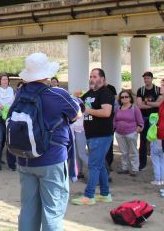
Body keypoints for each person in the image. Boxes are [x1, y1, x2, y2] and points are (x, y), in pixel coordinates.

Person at [15, 53, 81, 231]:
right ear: (46, 74)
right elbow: (76, 114)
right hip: (51, 159)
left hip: (24, 158)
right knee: (52, 211)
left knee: (28, 209)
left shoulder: (20, 93)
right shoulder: (56, 94)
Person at [72, 68, 115, 206]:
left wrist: (87, 110)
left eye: (95, 76)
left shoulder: (106, 93)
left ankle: (89, 195)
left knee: (93, 165)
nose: (91, 78)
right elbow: (79, 106)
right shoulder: (90, 93)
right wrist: (76, 97)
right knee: (100, 164)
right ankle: (105, 194)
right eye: (90, 76)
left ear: (102, 79)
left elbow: (106, 112)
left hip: (101, 134)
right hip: (91, 134)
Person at [113, 90, 144, 177]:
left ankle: (135, 169)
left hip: (131, 133)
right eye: (122, 97)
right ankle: (124, 168)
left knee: (133, 151)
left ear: (130, 98)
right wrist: (114, 128)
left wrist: (136, 130)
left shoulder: (134, 108)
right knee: (124, 152)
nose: (124, 98)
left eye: (126, 96)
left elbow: (140, 121)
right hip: (119, 133)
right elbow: (114, 120)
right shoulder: (118, 108)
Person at [135, 71, 161, 171]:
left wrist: (145, 102)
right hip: (144, 118)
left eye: (148, 78)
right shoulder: (140, 90)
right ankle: (142, 163)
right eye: (145, 78)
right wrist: (152, 103)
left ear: (152, 79)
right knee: (143, 141)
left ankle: (157, 161)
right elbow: (139, 105)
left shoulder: (157, 90)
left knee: (156, 140)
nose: (146, 80)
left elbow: (159, 104)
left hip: (155, 118)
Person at [0, 74, 16, 171]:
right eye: (3, 79)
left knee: (10, 141)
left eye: (6, 79)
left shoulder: (12, 90)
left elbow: (15, 104)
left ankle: (12, 164)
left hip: (10, 118)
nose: (5, 81)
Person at [70, 90, 87, 179]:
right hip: (74, 132)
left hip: (81, 131)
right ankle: (79, 172)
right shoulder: (75, 107)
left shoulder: (82, 108)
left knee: (82, 154)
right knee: (76, 153)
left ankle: (97, 172)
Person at [148, 113, 164, 186]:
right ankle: (162, 179)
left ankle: (157, 179)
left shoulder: (152, 128)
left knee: (156, 164)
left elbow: (149, 138)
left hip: (155, 147)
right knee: (163, 163)